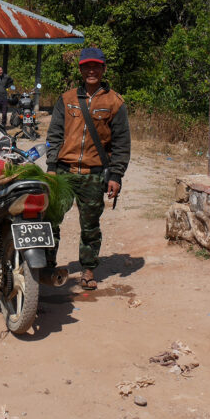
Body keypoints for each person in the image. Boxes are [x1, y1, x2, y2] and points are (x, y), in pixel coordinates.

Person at [45, 47, 130, 290]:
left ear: (103, 69)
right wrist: (51, 166)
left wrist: (116, 175)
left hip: (93, 175)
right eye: (86, 66)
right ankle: (48, 264)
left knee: (90, 225)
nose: (91, 71)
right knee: (51, 219)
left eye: (96, 66)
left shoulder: (115, 102)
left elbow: (122, 143)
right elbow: (54, 135)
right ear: (81, 69)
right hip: (64, 171)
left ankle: (88, 269)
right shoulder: (66, 98)